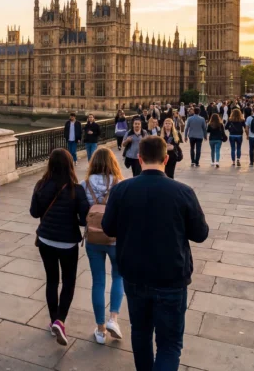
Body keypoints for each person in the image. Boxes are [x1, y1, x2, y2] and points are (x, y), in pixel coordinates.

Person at [101, 137, 209, 371]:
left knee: (140, 334)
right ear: (166, 159)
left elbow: (108, 228)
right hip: (171, 277)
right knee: (169, 344)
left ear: (139, 159)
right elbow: (201, 234)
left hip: (134, 275)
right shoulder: (183, 191)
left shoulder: (121, 190)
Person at [30, 149, 90, 347]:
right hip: (67, 243)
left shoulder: (40, 185)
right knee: (68, 281)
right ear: (70, 165)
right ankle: (60, 320)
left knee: (52, 280)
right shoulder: (76, 189)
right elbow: (84, 220)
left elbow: (34, 212)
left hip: (46, 240)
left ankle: (53, 319)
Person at [82, 148, 125, 343]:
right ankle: (113, 319)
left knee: (98, 282)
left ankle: (100, 330)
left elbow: (81, 211)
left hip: (93, 239)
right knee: (118, 277)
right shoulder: (120, 184)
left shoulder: (84, 184)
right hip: (115, 239)